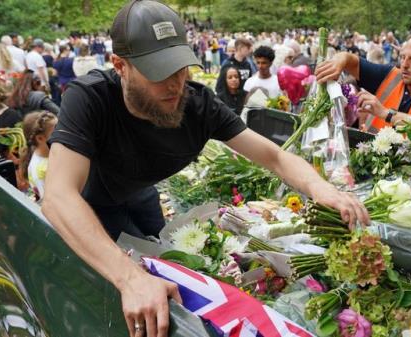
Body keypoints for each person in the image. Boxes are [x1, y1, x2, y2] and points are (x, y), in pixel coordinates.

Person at [41, 2, 369, 337]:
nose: (175, 85)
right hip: (90, 208)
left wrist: (321, 188)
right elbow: (57, 196)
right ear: (120, 66)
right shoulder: (90, 98)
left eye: (180, 69)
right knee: (130, 288)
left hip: (141, 193)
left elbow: (276, 158)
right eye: (159, 73)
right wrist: (129, 278)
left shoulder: (198, 105)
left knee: (170, 262)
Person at [316, 29, 411, 147]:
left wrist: (387, 114)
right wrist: (337, 61)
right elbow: (350, 60)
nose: (404, 64)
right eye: (402, 57)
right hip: (372, 165)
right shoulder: (390, 75)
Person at [22, 111, 58, 201]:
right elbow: (50, 201)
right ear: (40, 138)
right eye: (56, 131)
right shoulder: (42, 169)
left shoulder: (50, 155)